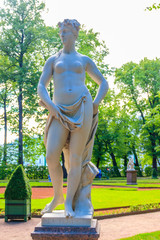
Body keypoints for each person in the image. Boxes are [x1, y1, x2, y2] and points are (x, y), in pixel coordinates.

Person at [37, 19, 109, 218]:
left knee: (75, 159)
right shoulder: (52, 60)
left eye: (67, 31)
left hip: (82, 107)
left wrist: (95, 103)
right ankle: (57, 196)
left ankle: (69, 203)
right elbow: (41, 86)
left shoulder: (84, 60)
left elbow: (103, 83)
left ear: (75, 34)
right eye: (61, 32)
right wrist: (50, 106)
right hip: (58, 110)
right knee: (51, 155)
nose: (63, 35)